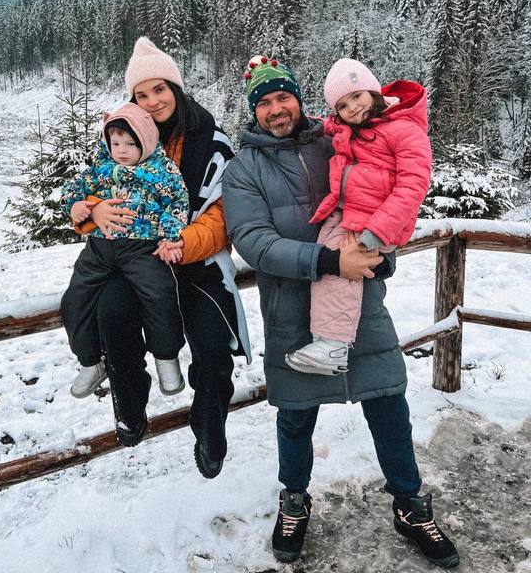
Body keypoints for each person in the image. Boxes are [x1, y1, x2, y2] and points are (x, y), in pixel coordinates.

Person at [222, 56, 459, 568]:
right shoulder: (243, 169)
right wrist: (331, 261)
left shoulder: (339, 138)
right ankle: (294, 499)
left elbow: (387, 191)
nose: (276, 109)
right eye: (264, 103)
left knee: (389, 404)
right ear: (253, 111)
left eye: (283, 97)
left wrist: (381, 257)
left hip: (362, 304)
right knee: (295, 415)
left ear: (299, 99)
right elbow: (254, 242)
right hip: (292, 311)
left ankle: (410, 504)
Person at [77, 37, 251, 478]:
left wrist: (183, 243)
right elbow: (92, 189)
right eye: (142, 94)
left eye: (160, 89)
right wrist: (93, 211)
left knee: (212, 345)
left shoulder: (211, 142)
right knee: (112, 313)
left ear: (176, 88)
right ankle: (130, 402)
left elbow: (223, 213)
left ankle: (209, 427)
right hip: (137, 257)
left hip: (195, 261)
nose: (153, 101)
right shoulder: (121, 135)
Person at [286, 58, 432, 375]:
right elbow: (326, 126)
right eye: (342, 105)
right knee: (328, 258)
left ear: (373, 91)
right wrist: (300, 122)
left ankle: (333, 346)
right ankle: (327, 341)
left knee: (337, 263)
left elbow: (413, 185)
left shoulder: (404, 130)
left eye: (356, 96)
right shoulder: (354, 128)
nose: (352, 107)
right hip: (351, 213)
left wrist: (378, 231)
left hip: (374, 222)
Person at [60, 102, 189, 402]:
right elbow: (73, 188)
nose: (121, 150)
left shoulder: (161, 169)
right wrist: (77, 205)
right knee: (76, 298)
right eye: (116, 143)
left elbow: (178, 202)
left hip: (142, 248)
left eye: (130, 144)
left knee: (159, 293)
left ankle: (166, 356)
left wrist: (169, 236)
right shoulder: (101, 167)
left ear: (146, 141)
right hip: (100, 247)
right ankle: (90, 360)